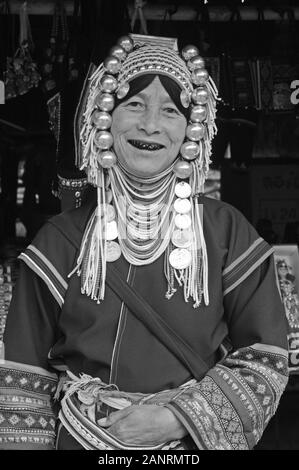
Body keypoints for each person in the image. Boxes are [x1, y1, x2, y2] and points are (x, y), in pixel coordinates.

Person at [0, 34, 289, 451]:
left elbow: (266, 358)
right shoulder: (61, 240)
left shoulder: (227, 234)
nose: (151, 124)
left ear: (192, 128)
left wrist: (175, 420)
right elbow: (20, 385)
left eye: (170, 111)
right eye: (134, 104)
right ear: (104, 116)